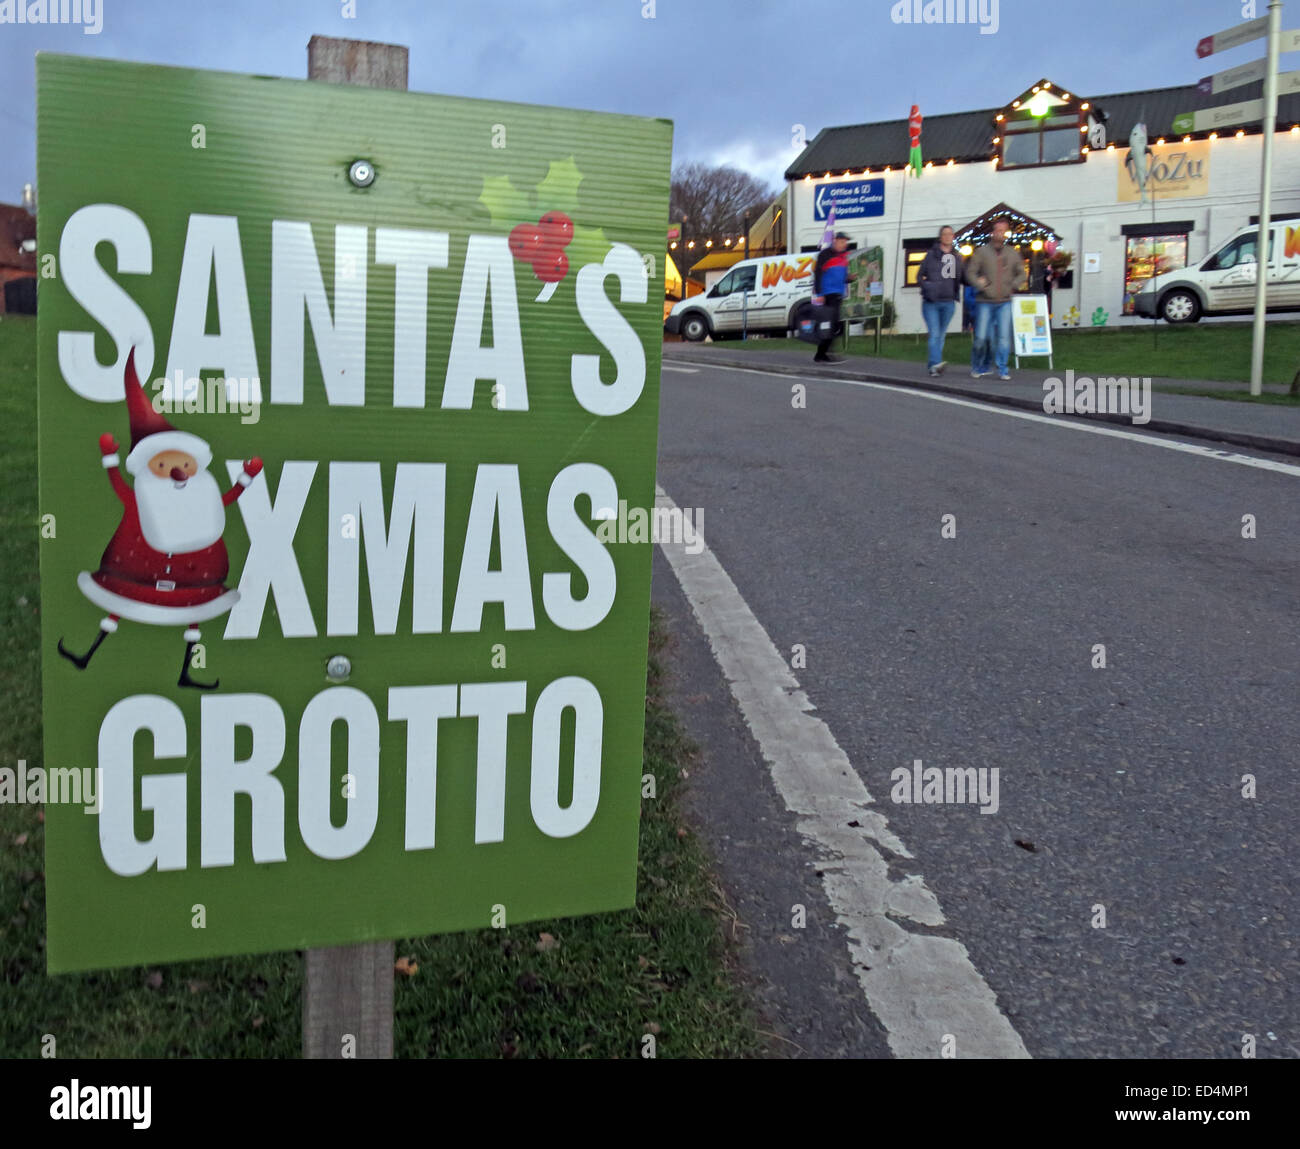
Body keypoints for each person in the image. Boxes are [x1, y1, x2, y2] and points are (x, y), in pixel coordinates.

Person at [965, 217, 1027, 380]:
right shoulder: (982, 252)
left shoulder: (1012, 253)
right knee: (981, 337)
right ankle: (977, 365)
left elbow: (1022, 273)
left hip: (1004, 301)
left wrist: (1013, 284)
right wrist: (979, 285)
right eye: (998, 230)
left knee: (1004, 337)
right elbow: (970, 272)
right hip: (985, 301)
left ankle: (1003, 368)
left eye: (1004, 231)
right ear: (992, 233)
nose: (1001, 234)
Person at [916, 226, 963, 376]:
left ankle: (934, 366)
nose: (948, 237)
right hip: (932, 302)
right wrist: (927, 287)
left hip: (948, 302)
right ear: (940, 237)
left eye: (950, 234)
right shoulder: (931, 255)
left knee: (941, 335)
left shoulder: (957, 257)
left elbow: (962, 277)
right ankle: (935, 364)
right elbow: (919, 275)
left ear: (953, 237)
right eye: (945, 234)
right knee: (935, 333)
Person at [812, 232, 851, 363]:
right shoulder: (825, 255)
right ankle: (823, 353)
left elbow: (841, 277)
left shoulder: (843, 257)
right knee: (832, 325)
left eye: (845, 242)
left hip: (838, 293)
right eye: (842, 241)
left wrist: (849, 279)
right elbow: (817, 274)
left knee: (835, 325)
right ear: (835, 241)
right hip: (828, 294)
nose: (844, 244)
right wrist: (820, 294)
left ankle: (823, 353)